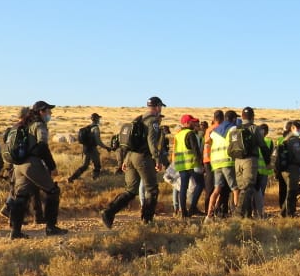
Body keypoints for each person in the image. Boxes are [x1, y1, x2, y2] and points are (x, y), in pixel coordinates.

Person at [5, 101, 68, 238]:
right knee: (53, 191)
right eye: (48, 111)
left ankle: (15, 232)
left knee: (21, 196)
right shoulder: (39, 125)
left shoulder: (24, 124)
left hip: (18, 165)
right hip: (31, 164)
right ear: (41, 111)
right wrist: (52, 166)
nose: (50, 114)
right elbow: (42, 147)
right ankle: (51, 228)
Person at [103, 96, 166, 227]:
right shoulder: (153, 121)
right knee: (152, 189)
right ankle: (147, 221)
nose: (161, 109)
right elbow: (152, 142)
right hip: (143, 158)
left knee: (131, 190)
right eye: (160, 106)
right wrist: (157, 159)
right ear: (157, 106)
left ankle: (109, 212)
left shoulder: (138, 119)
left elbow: (130, 142)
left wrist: (126, 159)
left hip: (131, 157)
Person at [227, 107, 265, 219]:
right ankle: (239, 213)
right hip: (250, 161)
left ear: (242, 117)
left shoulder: (235, 130)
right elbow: (262, 146)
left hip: (237, 161)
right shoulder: (254, 128)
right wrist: (268, 162)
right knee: (247, 188)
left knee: (241, 187)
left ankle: (247, 215)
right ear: (253, 117)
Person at [172, 114, 203, 217]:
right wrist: (201, 163)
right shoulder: (190, 133)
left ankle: (184, 212)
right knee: (200, 184)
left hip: (181, 165)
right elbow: (195, 150)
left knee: (183, 188)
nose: (193, 123)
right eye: (191, 122)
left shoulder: (177, 135)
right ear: (186, 123)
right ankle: (193, 207)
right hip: (191, 164)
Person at [275, 120, 300, 217]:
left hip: (285, 169)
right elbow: (298, 156)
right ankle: (288, 214)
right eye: (299, 128)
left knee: (289, 191)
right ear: (292, 128)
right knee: (292, 192)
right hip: (292, 169)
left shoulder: (286, 139)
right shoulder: (295, 140)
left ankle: (286, 212)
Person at [70, 113, 109, 181]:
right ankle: (95, 179)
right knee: (97, 165)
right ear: (96, 119)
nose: (99, 120)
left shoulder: (87, 127)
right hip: (92, 149)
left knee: (84, 166)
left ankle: (72, 178)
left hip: (85, 149)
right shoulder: (95, 128)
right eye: (98, 118)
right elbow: (98, 142)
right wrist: (106, 147)